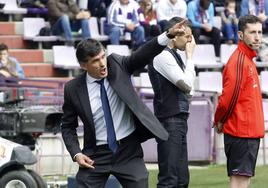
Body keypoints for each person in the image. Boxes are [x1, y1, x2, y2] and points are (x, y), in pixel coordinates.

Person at [61, 19, 186, 188]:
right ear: (84, 65)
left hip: (128, 150)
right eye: (95, 61)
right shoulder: (72, 88)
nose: (102, 63)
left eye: (103, 56)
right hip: (96, 154)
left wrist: (168, 35)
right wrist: (76, 153)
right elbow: (67, 126)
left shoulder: (117, 64)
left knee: (141, 183)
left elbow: (142, 55)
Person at [213, 15, 265, 188]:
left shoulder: (248, 60)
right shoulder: (239, 61)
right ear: (241, 35)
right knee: (239, 182)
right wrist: (219, 120)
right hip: (242, 132)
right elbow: (228, 99)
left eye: (259, 32)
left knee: (243, 180)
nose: (257, 36)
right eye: (252, 32)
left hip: (247, 132)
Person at [148, 17, 196, 188]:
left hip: (179, 119)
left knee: (182, 180)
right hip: (170, 119)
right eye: (187, 36)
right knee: (169, 179)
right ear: (175, 35)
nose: (190, 41)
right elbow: (188, 85)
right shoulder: (162, 55)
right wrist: (190, 57)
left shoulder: (174, 55)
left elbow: (189, 90)